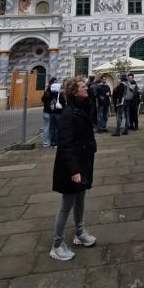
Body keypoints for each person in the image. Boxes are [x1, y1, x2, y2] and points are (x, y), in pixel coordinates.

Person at [50, 78, 97, 261]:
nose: (87, 88)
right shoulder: (69, 113)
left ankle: (80, 233)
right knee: (66, 205)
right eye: (83, 86)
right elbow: (65, 144)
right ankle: (56, 245)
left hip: (83, 162)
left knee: (80, 200)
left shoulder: (81, 107)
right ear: (74, 92)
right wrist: (74, 171)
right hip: (72, 166)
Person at [47, 78, 66, 147]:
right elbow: (63, 103)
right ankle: (58, 143)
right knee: (58, 128)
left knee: (52, 128)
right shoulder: (59, 94)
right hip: (58, 112)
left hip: (51, 112)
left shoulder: (50, 93)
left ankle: (53, 142)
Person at [41, 79, 57, 148]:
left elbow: (42, 99)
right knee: (48, 128)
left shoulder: (46, 91)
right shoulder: (52, 92)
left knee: (46, 127)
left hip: (46, 111)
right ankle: (47, 143)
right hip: (49, 112)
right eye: (55, 83)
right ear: (51, 84)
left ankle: (46, 142)